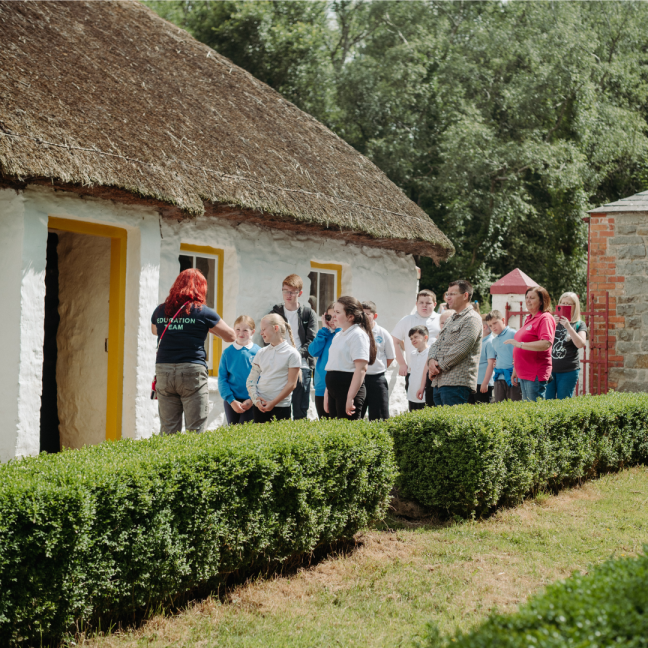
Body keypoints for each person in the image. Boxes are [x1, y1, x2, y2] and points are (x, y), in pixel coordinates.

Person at [151, 268, 235, 434]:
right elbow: (231, 336)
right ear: (201, 289)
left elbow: (155, 331)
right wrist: (205, 328)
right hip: (191, 371)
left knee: (168, 430)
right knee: (195, 430)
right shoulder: (202, 312)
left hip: (164, 371)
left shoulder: (160, 310)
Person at [267, 274, 317, 420]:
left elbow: (311, 341)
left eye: (292, 292)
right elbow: (267, 336)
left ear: (299, 293)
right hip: (279, 365)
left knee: (300, 410)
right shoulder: (275, 313)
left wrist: (295, 354)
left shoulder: (308, 314)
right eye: (285, 291)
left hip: (302, 366)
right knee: (280, 410)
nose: (288, 295)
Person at [427, 280, 483, 407]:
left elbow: (461, 348)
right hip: (439, 382)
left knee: (452, 426)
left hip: (457, 383)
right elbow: (436, 343)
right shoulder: (450, 319)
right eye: (447, 294)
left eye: (452, 294)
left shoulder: (472, 318)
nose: (448, 297)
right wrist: (431, 361)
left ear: (465, 295)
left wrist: (437, 367)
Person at [324, 296, 376, 420]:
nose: (333, 316)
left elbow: (361, 369)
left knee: (347, 432)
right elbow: (333, 365)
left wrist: (350, 397)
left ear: (350, 317)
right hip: (334, 391)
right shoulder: (338, 335)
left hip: (347, 389)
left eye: (337, 312)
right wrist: (328, 393)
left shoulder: (357, 335)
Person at [246, 314, 301, 424]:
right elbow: (250, 381)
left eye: (263, 329)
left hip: (281, 407)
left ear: (275, 328)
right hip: (260, 408)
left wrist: (273, 403)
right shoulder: (261, 353)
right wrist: (256, 400)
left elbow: (291, 384)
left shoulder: (292, 354)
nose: (261, 333)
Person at [505, 286, 556, 402]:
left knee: (534, 412)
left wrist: (520, 344)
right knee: (528, 411)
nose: (528, 300)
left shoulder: (545, 318)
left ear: (542, 301)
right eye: (526, 297)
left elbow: (546, 343)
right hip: (523, 372)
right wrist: (515, 369)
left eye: (532, 298)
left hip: (535, 373)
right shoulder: (529, 318)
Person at [392, 290, 440, 408]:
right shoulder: (407, 320)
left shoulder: (440, 320)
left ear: (434, 304)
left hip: (435, 373)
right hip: (413, 371)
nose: (424, 305)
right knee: (414, 406)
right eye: (421, 302)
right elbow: (394, 341)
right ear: (416, 304)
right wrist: (402, 363)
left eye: (428, 303)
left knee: (432, 407)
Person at [217, 315, 260, 425]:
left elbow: (262, 378)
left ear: (253, 332)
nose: (241, 333)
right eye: (238, 329)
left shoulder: (259, 352)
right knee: (233, 430)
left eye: (245, 330)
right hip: (232, 401)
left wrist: (252, 399)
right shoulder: (227, 353)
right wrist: (231, 400)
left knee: (244, 431)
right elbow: (222, 378)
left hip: (252, 400)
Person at [546, 292, 587, 399]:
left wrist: (569, 327)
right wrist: (552, 325)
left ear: (575, 306)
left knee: (563, 403)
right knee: (546, 403)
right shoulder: (551, 321)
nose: (564, 306)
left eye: (568, 304)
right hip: (549, 370)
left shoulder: (579, 324)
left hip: (568, 371)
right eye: (562, 303)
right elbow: (543, 341)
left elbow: (580, 344)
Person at [361, 301, 396, 420]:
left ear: (374, 316)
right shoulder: (356, 332)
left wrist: (378, 368)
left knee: (379, 417)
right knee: (357, 414)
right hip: (359, 378)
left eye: (367, 314)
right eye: (362, 314)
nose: (364, 317)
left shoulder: (383, 333)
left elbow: (390, 356)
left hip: (377, 379)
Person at [308, 302, 340, 419]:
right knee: (324, 424)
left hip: (337, 388)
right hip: (321, 387)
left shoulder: (344, 335)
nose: (332, 320)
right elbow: (313, 351)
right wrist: (324, 330)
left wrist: (339, 327)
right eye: (329, 317)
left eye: (335, 316)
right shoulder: (325, 334)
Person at [485, 310, 521, 402]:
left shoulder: (514, 334)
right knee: (499, 407)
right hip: (499, 378)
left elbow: (521, 353)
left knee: (514, 407)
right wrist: (495, 364)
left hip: (513, 377)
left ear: (503, 320)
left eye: (495, 323)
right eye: (490, 325)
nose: (493, 327)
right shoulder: (494, 340)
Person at [470, 315, 494, 404]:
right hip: (474, 383)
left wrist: (485, 383)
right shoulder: (479, 341)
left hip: (482, 383)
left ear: (484, 327)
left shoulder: (490, 342)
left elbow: (490, 364)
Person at [407, 326, 431, 410]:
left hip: (425, 395)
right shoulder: (412, 354)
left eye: (416, 337)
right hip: (412, 394)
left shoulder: (431, 352)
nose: (413, 340)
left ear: (425, 337)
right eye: (411, 338)